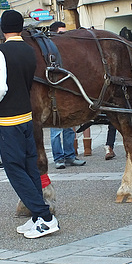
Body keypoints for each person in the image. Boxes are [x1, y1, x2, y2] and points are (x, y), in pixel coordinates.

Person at [0, 9, 58, 239]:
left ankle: (45, 217)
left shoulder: (0, 51)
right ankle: (38, 217)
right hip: (26, 118)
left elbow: (0, 87)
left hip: (8, 121)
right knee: (29, 167)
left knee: (15, 169)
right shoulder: (29, 51)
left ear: (1, 30)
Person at [48, 21, 86, 169]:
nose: (65, 36)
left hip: (67, 93)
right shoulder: (49, 51)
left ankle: (70, 156)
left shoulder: (67, 50)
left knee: (70, 128)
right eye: (61, 33)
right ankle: (58, 158)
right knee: (56, 129)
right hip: (54, 93)